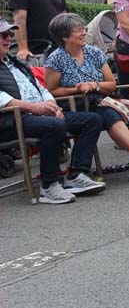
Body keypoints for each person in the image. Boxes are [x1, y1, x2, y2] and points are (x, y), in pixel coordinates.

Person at [43, 12, 129, 182]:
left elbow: (111, 84)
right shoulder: (56, 58)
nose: (84, 33)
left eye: (84, 28)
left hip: (101, 98)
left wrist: (94, 85)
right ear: (64, 37)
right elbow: (52, 90)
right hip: (75, 104)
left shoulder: (93, 52)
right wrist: (77, 89)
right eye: (78, 30)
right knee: (108, 114)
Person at [0, 18, 106, 204]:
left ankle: (75, 174)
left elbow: (41, 88)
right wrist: (36, 108)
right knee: (53, 125)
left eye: (9, 34)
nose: (8, 38)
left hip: (36, 114)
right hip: (11, 119)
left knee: (92, 119)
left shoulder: (16, 63)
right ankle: (49, 185)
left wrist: (52, 105)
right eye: (3, 35)